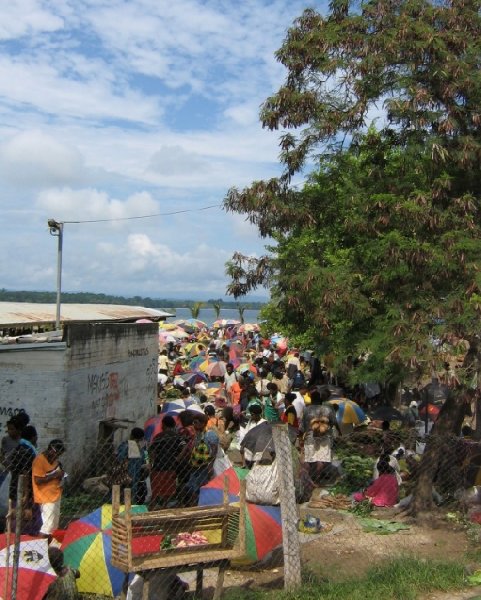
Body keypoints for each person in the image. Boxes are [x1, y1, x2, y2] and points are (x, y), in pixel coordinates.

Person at [301, 390, 340, 483]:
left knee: (311, 459)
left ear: (311, 399)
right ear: (321, 399)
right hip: (325, 437)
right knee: (322, 458)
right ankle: (321, 476)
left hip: (310, 436)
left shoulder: (307, 410)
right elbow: (333, 422)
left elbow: (303, 426)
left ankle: (313, 478)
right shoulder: (328, 409)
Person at [7, 425, 40, 535]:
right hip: (24, 492)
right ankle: (26, 540)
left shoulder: (19, 448)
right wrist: (26, 494)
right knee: (26, 518)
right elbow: (25, 473)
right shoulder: (26, 451)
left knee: (17, 518)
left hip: (16, 490)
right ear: (33, 437)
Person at [32, 439, 66, 539]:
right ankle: (39, 549)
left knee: (54, 527)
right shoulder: (39, 460)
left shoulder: (55, 461)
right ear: (51, 450)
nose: (58, 456)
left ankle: (50, 549)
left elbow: (57, 476)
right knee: (48, 526)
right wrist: (55, 475)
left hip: (55, 494)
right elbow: (38, 480)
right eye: (57, 454)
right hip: (46, 496)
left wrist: (61, 475)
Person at [149, 416, 183, 508]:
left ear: (163, 424)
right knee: (169, 489)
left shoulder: (158, 437)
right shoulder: (177, 436)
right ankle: (167, 505)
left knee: (157, 489)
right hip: (171, 466)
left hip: (158, 467)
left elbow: (152, 452)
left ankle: (155, 506)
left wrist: (152, 463)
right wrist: (176, 459)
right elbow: (183, 448)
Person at [184, 414, 219, 505]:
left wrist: (210, 466)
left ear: (203, 423)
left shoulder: (210, 434)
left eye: (196, 423)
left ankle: (201, 504)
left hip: (205, 466)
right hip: (196, 466)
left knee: (202, 486)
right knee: (193, 486)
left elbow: (214, 451)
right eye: (193, 423)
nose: (194, 425)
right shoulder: (198, 435)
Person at [117, 428, 148, 504]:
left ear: (131, 435)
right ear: (141, 438)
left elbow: (119, 459)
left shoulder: (125, 445)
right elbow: (142, 462)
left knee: (122, 495)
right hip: (135, 477)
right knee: (131, 496)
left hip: (123, 475)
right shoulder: (140, 448)